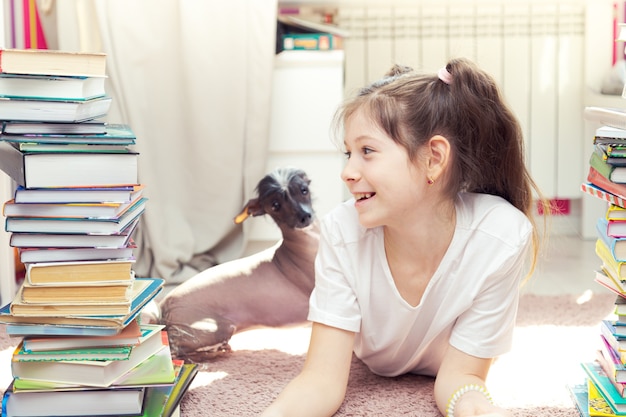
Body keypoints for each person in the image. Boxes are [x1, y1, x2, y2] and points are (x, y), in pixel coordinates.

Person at [260, 57, 548, 417]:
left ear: (433, 158)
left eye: (367, 151)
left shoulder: (500, 236)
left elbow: (461, 377)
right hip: (369, 355)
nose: (347, 172)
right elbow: (321, 380)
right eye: (348, 153)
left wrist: (478, 409)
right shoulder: (342, 230)